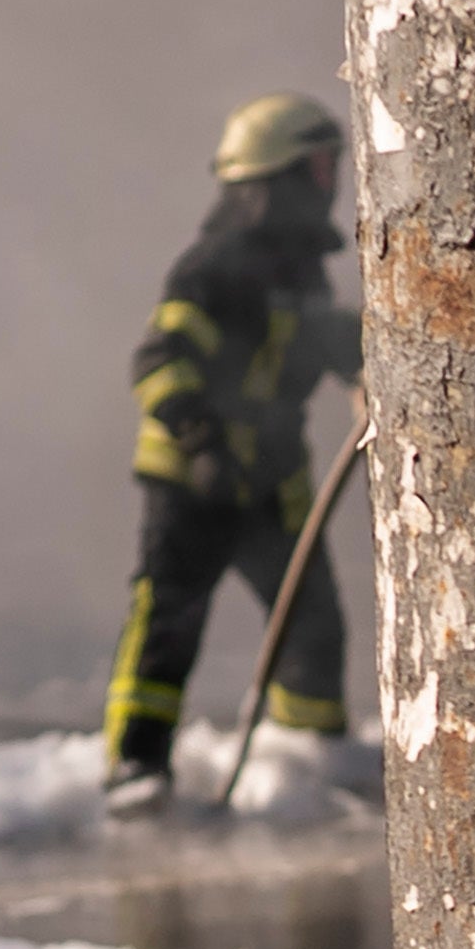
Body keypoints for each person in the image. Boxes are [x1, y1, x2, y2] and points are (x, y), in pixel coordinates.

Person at [101, 93, 361, 813]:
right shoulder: (212, 269)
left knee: (311, 620)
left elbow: (311, 344)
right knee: (168, 621)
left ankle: (311, 760)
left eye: (330, 164)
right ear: (270, 179)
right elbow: (158, 361)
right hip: (193, 481)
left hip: (272, 481)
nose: (329, 180)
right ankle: (136, 769)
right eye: (315, 166)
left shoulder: (301, 272)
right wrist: (203, 444)